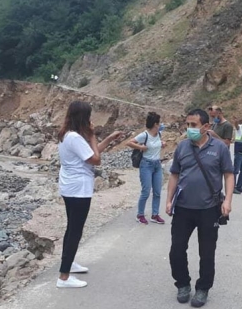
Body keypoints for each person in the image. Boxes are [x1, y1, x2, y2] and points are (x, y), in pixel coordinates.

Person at [166, 108, 234, 308]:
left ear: (206, 127)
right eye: (187, 125)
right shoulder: (182, 147)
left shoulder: (219, 148)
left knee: (207, 252)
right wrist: (169, 200)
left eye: (193, 125)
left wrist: (227, 201)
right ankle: (183, 284)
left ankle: (203, 288)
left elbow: (229, 174)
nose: (189, 129)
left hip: (209, 209)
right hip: (183, 208)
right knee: (176, 250)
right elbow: (174, 175)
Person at [56, 101, 122, 288]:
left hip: (70, 186)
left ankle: (68, 263)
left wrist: (108, 139)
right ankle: (64, 277)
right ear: (83, 118)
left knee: (72, 228)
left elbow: (90, 154)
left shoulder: (66, 135)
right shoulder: (75, 138)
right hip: (78, 189)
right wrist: (92, 135)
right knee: (75, 230)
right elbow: (96, 160)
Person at [127, 112, 167, 224]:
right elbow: (129, 142)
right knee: (146, 191)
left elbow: (157, 143)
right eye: (159, 123)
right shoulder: (144, 135)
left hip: (157, 165)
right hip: (146, 165)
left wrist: (162, 143)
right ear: (155, 124)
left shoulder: (159, 134)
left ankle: (155, 214)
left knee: (158, 191)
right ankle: (140, 214)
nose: (160, 125)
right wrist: (140, 147)